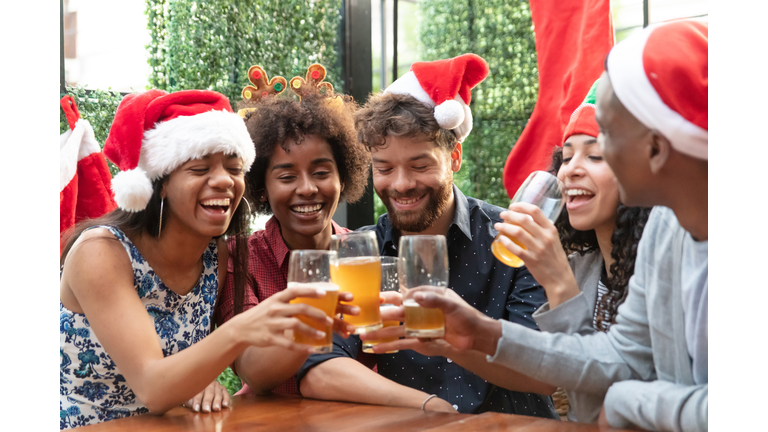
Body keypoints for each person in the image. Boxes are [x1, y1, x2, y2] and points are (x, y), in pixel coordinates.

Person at [396, 20, 708, 431]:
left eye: (605, 140)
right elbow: (623, 354)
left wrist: (629, 401)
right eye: (568, 153)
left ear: (655, 147)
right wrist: (481, 334)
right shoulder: (665, 228)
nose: (569, 169)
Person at [297, 53, 560, 418]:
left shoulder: (512, 236)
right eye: (384, 168)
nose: (402, 184)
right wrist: (427, 406)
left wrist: (448, 342)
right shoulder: (360, 250)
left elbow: (545, 372)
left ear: (454, 158)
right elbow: (317, 369)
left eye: (420, 165)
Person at [60, 90, 338, 429]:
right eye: (200, 168)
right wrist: (241, 329)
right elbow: (152, 386)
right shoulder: (101, 252)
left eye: (234, 168)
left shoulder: (214, 255)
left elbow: (190, 372)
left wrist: (195, 381)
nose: (224, 180)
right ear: (160, 184)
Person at [488, 79, 651, 423]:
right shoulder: (583, 265)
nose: (570, 170)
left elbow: (599, 407)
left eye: (594, 155)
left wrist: (559, 283)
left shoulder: (658, 271)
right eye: (565, 156)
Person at [213, 73, 373, 396]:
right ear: (261, 188)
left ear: (343, 176)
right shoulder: (240, 259)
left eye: (321, 172)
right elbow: (252, 368)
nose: (307, 188)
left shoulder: (364, 253)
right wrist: (322, 312)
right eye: (287, 176)